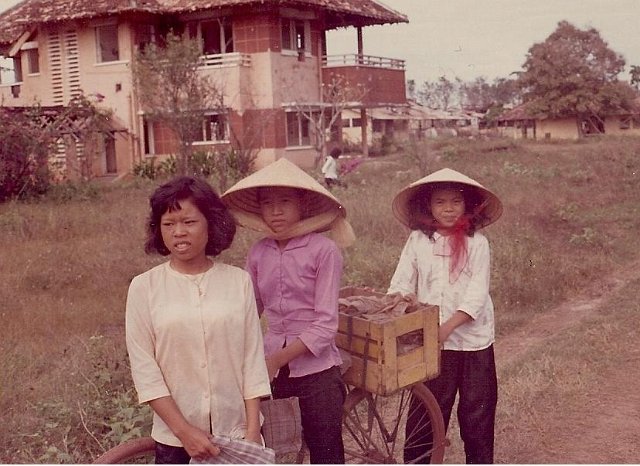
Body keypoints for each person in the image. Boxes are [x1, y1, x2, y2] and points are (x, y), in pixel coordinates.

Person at [125, 176, 272, 464]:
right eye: (169, 224)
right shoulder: (144, 288)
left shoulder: (238, 282)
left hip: (238, 435)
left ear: (211, 224)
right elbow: (146, 372)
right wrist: (185, 433)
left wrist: (253, 432)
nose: (179, 232)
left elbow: (252, 359)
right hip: (175, 441)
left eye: (189, 222)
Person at [221, 158, 356, 464]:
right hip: (273, 370)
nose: (275, 211)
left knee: (325, 452)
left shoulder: (324, 251)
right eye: (267, 204)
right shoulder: (259, 252)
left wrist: (276, 360)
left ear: (303, 206)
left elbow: (324, 326)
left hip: (317, 371)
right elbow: (250, 309)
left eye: (284, 202)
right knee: (282, 449)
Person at [387, 167, 503, 464]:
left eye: (455, 201)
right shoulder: (418, 240)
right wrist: (404, 299)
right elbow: (401, 281)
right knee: (425, 415)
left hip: (472, 341)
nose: (448, 209)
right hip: (432, 342)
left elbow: (476, 294)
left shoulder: (478, 242)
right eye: (440, 202)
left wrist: (447, 327)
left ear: (468, 204)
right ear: (428, 205)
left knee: (476, 414)